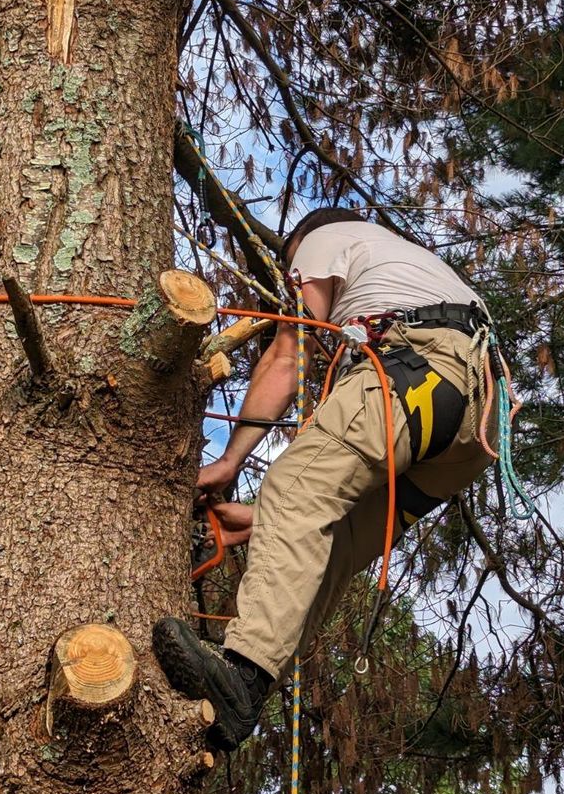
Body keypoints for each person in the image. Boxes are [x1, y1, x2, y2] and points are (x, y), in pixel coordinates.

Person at [153, 208, 498, 751]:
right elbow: (321, 506)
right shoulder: (401, 264)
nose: (293, 284)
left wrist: (229, 462)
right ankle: (239, 699)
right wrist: (261, 521)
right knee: (332, 540)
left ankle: (241, 675)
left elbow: (289, 356)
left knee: (295, 488)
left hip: (425, 364)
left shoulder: (322, 243)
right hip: (475, 421)